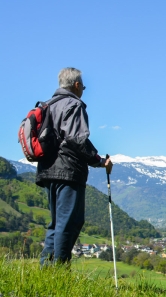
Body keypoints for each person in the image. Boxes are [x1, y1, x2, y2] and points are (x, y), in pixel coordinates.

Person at [37, 67, 112, 266]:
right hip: (68, 171)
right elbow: (77, 140)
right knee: (69, 223)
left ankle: (47, 268)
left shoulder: (48, 105)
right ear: (77, 85)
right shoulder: (74, 105)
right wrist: (99, 160)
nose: (83, 90)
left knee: (56, 223)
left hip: (47, 170)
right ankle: (59, 270)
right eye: (83, 86)